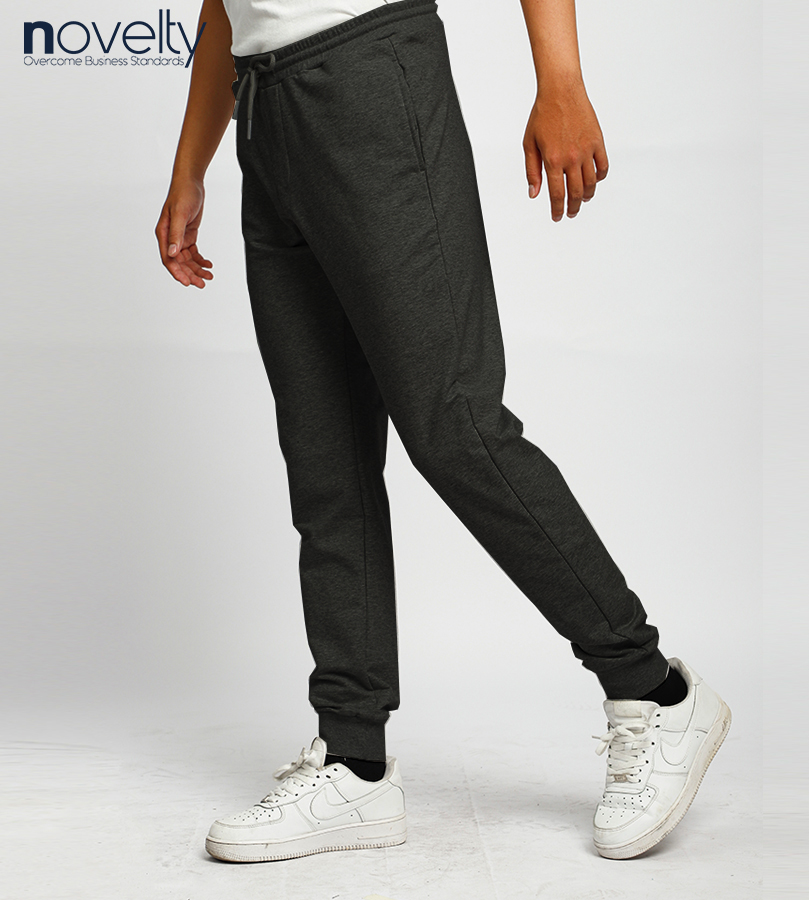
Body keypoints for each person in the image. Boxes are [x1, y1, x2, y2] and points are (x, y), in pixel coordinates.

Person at [155, 0, 731, 863]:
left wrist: (561, 80)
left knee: (455, 424)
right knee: (325, 458)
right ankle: (354, 761)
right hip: (264, 108)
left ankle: (654, 691)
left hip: (371, 81)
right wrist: (190, 166)